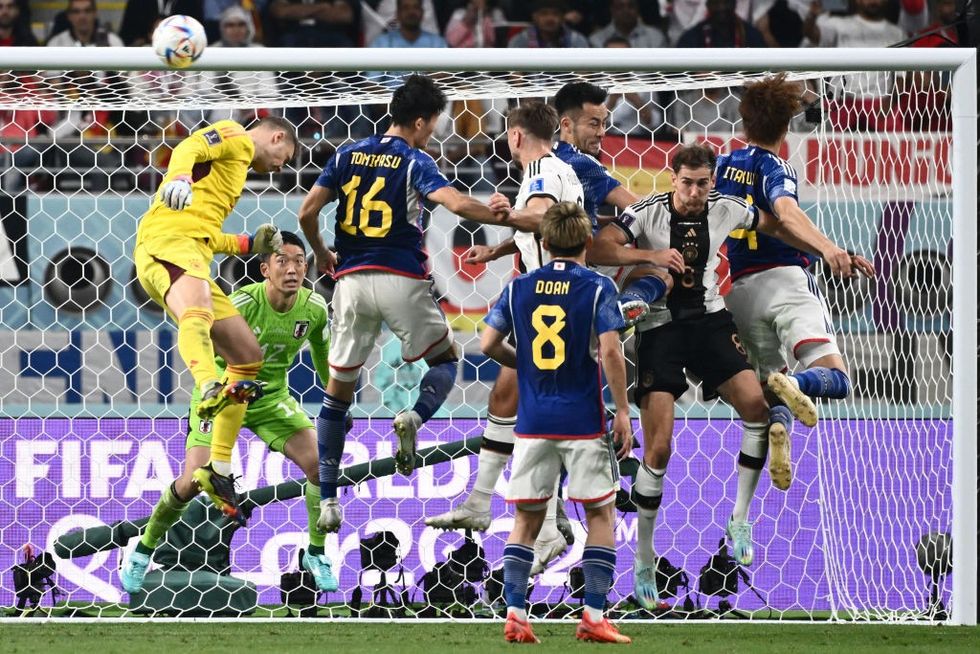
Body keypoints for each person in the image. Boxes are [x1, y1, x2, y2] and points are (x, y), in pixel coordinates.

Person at [591, 143, 852, 609]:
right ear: (673, 178)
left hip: (710, 323)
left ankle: (740, 519)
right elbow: (599, 246)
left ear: (713, 182)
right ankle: (645, 557)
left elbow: (776, 225)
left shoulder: (728, 207)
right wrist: (649, 256)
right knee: (659, 448)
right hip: (660, 330)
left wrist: (827, 249)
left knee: (758, 408)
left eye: (702, 184)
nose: (694, 193)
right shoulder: (648, 212)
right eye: (686, 183)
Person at [297, 74, 507, 533]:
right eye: (434, 123)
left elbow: (307, 211)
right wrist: (501, 215)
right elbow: (455, 203)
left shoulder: (347, 154)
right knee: (446, 361)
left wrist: (321, 251)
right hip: (401, 279)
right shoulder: (415, 160)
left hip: (351, 283)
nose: (433, 132)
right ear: (419, 121)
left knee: (337, 394)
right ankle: (414, 415)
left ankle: (328, 500)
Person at [120, 233, 342, 594]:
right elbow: (202, 339)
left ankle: (316, 555)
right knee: (193, 481)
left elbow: (322, 356)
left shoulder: (314, 308)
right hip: (225, 394)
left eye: (299, 261)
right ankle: (143, 550)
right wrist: (213, 385)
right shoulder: (241, 303)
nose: (292, 269)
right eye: (282, 261)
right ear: (265, 269)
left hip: (270, 398)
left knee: (320, 465)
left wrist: (336, 400)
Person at [427, 101, 586, 574]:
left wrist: (504, 214)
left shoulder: (541, 173)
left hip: (553, 301)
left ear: (515, 136)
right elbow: (542, 228)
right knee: (507, 397)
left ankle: (548, 528)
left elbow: (540, 220)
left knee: (535, 413)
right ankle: (485, 504)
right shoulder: (557, 170)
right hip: (549, 298)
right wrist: (497, 249)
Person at [715, 73, 875, 490]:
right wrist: (829, 249)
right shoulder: (775, 166)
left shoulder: (721, 167)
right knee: (835, 378)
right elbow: (785, 213)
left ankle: (780, 424)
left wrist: (830, 248)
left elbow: (767, 223)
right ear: (787, 125)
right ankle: (797, 383)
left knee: (771, 390)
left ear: (743, 120)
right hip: (786, 282)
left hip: (740, 292)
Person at [483, 201, 632, 645]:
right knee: (600, 514)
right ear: (586, 240)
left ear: (543, 242)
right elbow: (611, 351)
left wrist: (526, 367)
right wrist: (624, 410)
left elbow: (488, 343)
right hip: (583, 422)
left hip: (532, 422)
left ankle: (515, 614)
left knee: (526, 520)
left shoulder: (518, 287)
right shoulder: (598, 287)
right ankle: (593, 616)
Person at [134, 116, 296, 523]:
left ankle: (218, 467)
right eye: (285, 155)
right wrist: (179, 177)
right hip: (167, 243)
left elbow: (207, 233)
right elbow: (189, 146)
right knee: (198, 309)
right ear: (277, 136)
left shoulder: (234, 170)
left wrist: (248, 244)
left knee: (247, 355)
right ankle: (208, 384)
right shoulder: (236, 136)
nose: (281, 166)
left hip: (194, 253)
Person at [507, 0, 590, 48]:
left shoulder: (577, 40)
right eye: (544, 14)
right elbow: (514, 72)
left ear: (562, 17)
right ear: (535, 17)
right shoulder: (520, 40)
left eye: (555, 14)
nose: (550, 18)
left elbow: (583, 72)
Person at [589, 0, 667, 48]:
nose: (626, 10)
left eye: (631, 6)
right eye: (620, 6)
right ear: (612, 9)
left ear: (638, 8)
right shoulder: (597, 39)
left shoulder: (656, 37)